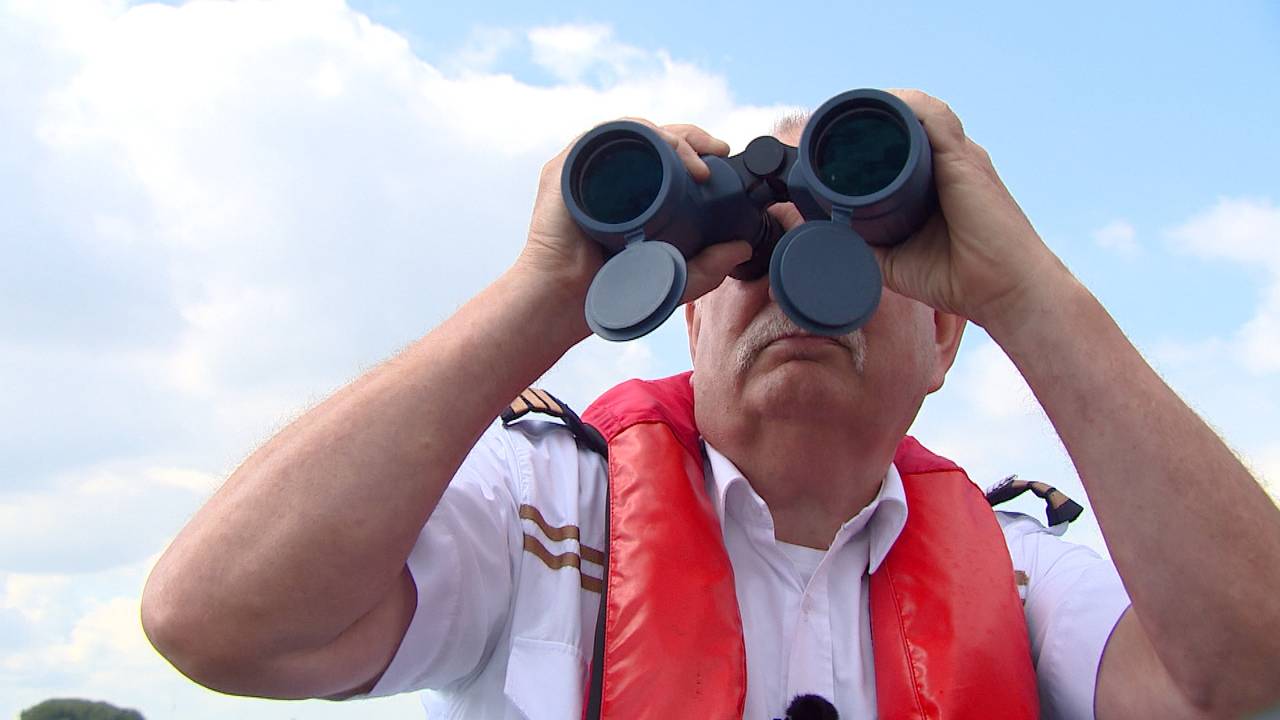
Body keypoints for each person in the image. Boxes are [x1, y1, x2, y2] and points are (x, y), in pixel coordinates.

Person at [140, 89, 1280, 719]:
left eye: (847, 259)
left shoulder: (1018, 562)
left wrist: (1027, 293)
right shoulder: (545, 507)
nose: (793, 296)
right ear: (690, 316)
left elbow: (1241, 682)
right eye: (743, 263)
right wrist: (544, 296)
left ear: (941, 336)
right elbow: (219, 623)